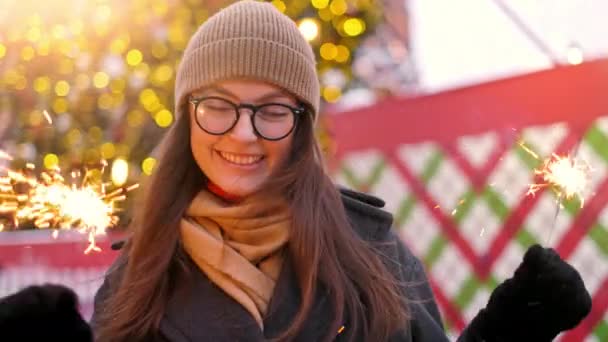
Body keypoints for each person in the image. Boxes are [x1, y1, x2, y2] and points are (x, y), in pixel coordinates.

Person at [91, 1, 592, 341]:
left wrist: (510, 329)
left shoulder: (372, 251)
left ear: (302, 125)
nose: (243, 134)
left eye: (271, 111)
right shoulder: (138, 275)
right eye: (219, 106)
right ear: (188, 116)